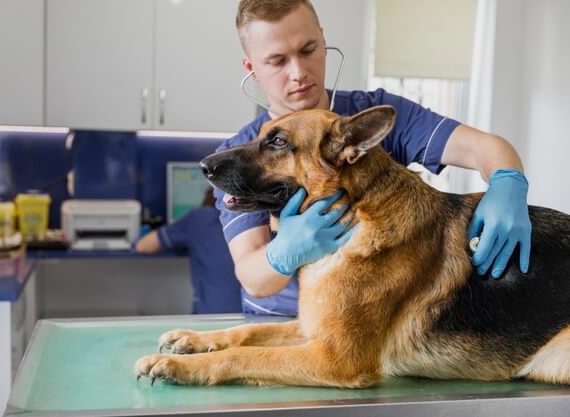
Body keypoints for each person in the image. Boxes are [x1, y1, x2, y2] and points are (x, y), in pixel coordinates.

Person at [212, 0, 532, 316]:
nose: (298, 72)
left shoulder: (369, 120)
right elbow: (253, 278)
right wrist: (282, 254)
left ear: (323, 40)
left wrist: (508, 183)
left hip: (367, 316)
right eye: (277, 61)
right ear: (252, 68)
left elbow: (486, 147)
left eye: (308, 50)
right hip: (280, 321)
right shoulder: (238, 158)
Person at [136, 188, 242, 314]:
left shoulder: (199, 218)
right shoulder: (256, 220)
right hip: (254, 315)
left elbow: (143, 246)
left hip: (211, 317)